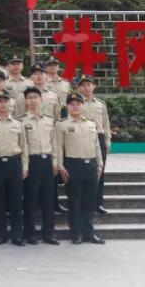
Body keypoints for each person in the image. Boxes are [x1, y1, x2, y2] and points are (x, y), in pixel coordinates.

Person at [56, 92, 105, 244]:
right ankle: (76, 233)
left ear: (83, 106)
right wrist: (60, 166)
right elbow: (58, 147)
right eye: (72, 104)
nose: (75, 106)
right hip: (72, 165)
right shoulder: (61, 124)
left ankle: (89, 233)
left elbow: (96, 145)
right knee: (75, 200)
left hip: (90, 165)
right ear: (67, 106)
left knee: (89, 201)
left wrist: (100, 163)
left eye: (78, 103)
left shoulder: (91, 123)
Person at [0, 90, 27, 246]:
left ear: (10, 102)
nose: (2, 103)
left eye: (5, 100)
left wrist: (25, 166)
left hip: (14, 163)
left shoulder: (18, 123)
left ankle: (17, 235)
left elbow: (24, 146)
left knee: (16, 201)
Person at [21, 86, 58, 245]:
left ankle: (48, 233)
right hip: (32, 162)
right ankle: (30, 233)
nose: (32, 100)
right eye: (29, 97)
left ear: (41, 99)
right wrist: (25, 165)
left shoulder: (49, 120)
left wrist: (55, 162)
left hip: (48, 162)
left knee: (48, 200)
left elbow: (54, 143)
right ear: (25, 100)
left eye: (35, 97)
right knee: (31, 199)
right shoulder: (21, 121)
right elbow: (23, 146)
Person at [78, 75, 112, 214]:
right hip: (82, 138)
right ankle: (82, 203)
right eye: (83, 85)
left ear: (94, 86)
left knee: (100, 171)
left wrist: (107, 140)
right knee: (82, 172)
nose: (86, 87)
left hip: (99, 137)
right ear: (78, 88)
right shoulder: (76, 103)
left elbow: (106, 123)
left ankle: (98, 203)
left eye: (89, 84)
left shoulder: (101, 104)